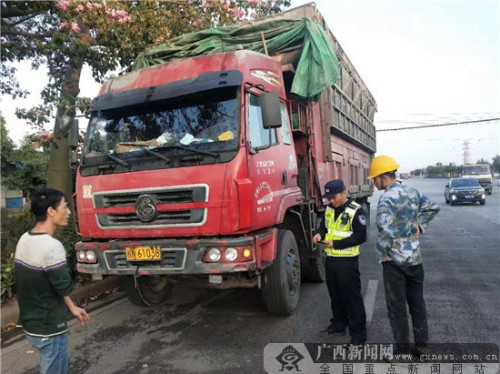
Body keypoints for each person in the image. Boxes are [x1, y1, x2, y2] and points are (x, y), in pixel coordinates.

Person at [367, 155, 440, 356]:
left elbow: (384, 228)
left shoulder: (387, 198)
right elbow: (433, 207)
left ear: (383, 177)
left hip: (394, 262)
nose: (374, 183)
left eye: (374, 179)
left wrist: (384, 253)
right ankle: (422, 348)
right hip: (415, 259)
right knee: (417, 304)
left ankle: (402, 352)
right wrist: (419, 225)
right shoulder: (412, 191)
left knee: (397, 308)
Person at [14, 188, 90, 374]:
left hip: (31, 325)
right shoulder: (52, 247)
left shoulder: (25, 239)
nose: (69, 212)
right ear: (51, 211)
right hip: (49, 327)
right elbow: (65, 285)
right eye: (65, 206)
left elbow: (52, 284)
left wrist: (72, 307)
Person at [313, 179, 368, 345]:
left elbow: (360, 237)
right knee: (335, 296)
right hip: (331, 260)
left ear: (344, 193)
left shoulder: (356, 211)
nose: (330, 200)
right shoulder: (329, 209)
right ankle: (338, 325)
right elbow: (324, 227)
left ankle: (358, 336)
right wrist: (319, 234)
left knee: (352, 298)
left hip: (347, 262)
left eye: (333, 196)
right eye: (328, 197)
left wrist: (335, 244)